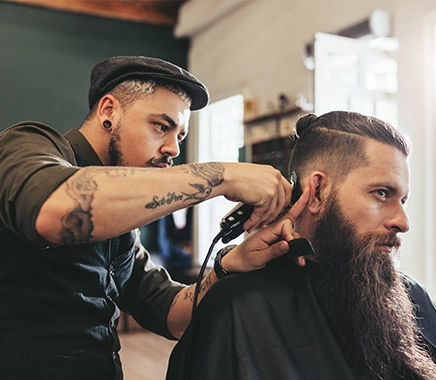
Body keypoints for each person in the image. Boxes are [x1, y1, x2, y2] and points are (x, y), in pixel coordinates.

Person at [0, 56, 301, 380]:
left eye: (180, 136)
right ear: (108, 111)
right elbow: (55, 210)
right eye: (161, 126)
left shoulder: (123, 229)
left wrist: (229, 264)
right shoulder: (25, 144)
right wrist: (222, 175)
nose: (173, 148)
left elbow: (167, 310)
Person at [166, 111, 436, 380]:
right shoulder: (238, 307)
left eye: (403, 200)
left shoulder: (414, 299)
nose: (402, 222)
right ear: (317, 191)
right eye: (382, 193)